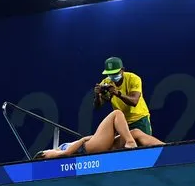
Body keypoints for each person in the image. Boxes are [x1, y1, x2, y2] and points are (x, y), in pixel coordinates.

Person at [33, 110, 164, 160]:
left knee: (135, 132)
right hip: (88, 148)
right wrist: (83, 139)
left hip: (91, 146)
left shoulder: (55, 149)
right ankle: (130, 143)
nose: (46, 149)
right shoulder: (46, 154)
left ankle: (165, 147)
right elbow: (65, 154)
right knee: (116, 114)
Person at [94, 56, 153, 136]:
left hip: (139, 119)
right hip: (122, 123)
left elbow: (134, 101)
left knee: (144, 146)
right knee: (123, 146)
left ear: (122, 70)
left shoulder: (133, 79)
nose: (112, 76)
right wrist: (97, 95)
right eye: (110, 74)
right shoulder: (106, 82)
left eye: (115, 73)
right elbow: (97, 106)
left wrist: (117, 93)